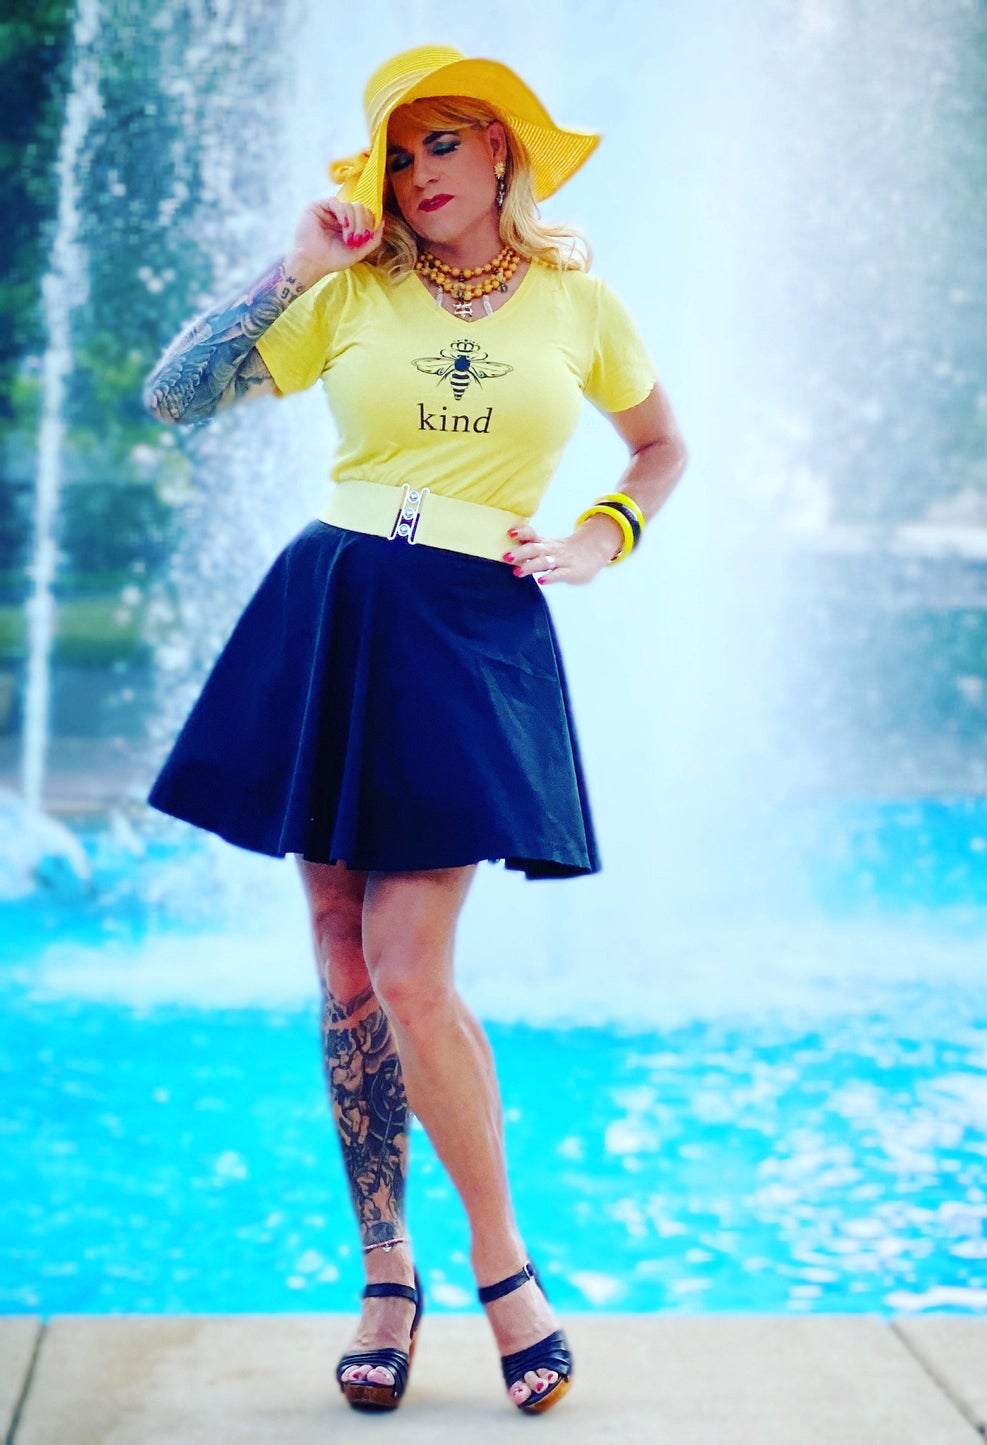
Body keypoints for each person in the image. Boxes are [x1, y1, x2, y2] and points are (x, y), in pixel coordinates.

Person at [141, 43, 686, 1416]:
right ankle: (386, 1272)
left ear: (500, 149)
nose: (416, 172)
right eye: (397, 151)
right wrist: (290, 270)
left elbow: (661, 445)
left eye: (443, 142)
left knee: (407, 965)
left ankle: (504, 1266)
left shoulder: (581, 302)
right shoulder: (350, 286)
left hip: (467, 626)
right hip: (332, 602)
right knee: (343, 957)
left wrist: (601, 534)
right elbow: (175, 394)